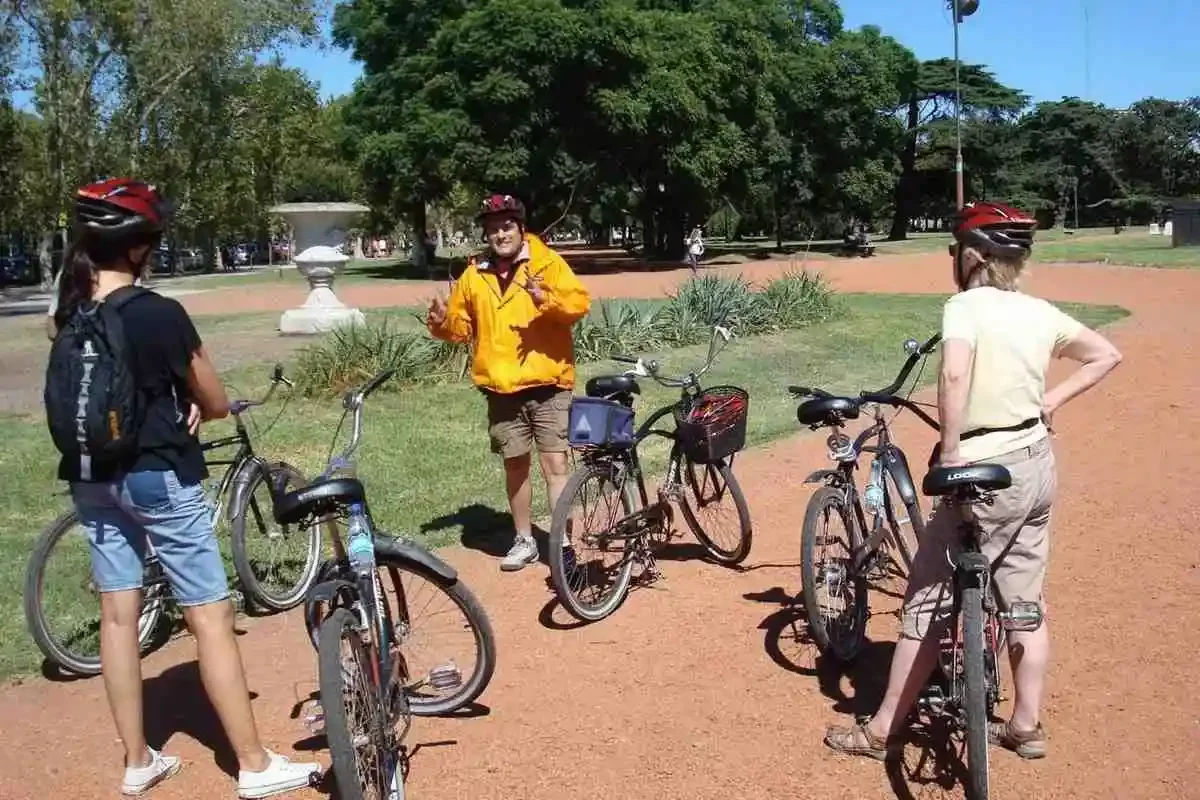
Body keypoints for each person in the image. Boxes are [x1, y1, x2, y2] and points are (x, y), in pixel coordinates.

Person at [824, 201, 1122, 762]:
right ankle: (1026, 726)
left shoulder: (964, 306)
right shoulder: (1039, 311)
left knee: (929, 597)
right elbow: (1106, 354)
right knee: (1023, 599)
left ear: (969, 256)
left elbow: (954, 372)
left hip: (983, 466)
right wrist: (1049, 401)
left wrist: (953, 452)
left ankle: (882, 728)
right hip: (1034, 463)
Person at [51, 178, 320, 798]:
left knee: (118, 617)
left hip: (93, 479)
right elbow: (217, 400)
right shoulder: (158, 313)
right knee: (210, 616)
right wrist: (189, 404)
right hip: (158, 476)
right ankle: (252, 766)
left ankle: (138, 759)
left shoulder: (70, 311)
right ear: (141, 246)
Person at [426, 193, 591, 571]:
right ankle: (523, 540)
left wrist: (543, 297)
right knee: (515, 466)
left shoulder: (547, 262)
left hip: (548, 382)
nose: (500, 234)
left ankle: (562, 544)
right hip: (501, 388)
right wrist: (439, 322)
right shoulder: (474, 274)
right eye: (492, 229)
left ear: (520, 227)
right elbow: (461, 329)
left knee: (555, 464)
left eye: (506, 226)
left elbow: (578, 305)